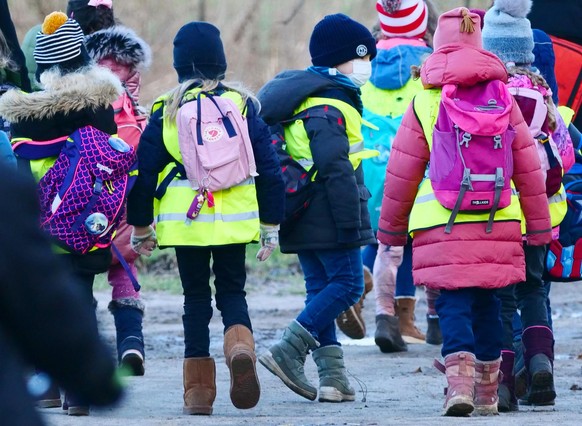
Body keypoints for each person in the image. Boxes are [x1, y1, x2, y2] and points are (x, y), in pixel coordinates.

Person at [377, 7, 552, 416]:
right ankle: (490, 393)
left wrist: (390, 232)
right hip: (499, 218)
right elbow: (527, 167)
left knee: (454, 303)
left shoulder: (424, 99)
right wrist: (540, 229)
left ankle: (459, 386)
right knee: (492, 303)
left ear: (438, 46)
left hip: (442, 219)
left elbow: (402, 169)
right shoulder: (504, 96)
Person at [126, 21, 284, 415]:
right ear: (221, 63)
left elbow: (142, 175)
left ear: (180, 65)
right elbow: (270, 169)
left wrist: (141, 227)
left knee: (194, 299)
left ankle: (198, 392)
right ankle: (240, 348)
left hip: (187, 222)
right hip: (235, 219)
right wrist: (270, 226)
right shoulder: (245, 106)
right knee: (233, 291)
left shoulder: (166, 109)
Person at [0, 11, 124, 416]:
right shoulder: (101, 107)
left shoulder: (22, 115)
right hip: (88, 222)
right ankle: (78, 392)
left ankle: (48, 387)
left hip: (41, 221)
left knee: (42, 300)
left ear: (44, 64)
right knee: (81, 297)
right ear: (81, 56)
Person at [257, 13, 377, 403]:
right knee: (348, 285)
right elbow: (335, 167)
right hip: (330, 215)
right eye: (362, 58)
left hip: (301, 212)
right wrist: (350, 225)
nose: (367, 67)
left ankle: (332, 378)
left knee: (320, 290)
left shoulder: (299, 96)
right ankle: (287, 349)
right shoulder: (330, 105)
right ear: (338, 60)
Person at [481, 0, 573, 409]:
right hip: (540, 214)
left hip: (498, 212)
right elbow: (565, 156)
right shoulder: (543, 95)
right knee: (534, 291)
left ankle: (503, 385)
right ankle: (541, 366)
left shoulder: (485, 97)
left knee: (501, 300)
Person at [338, 0, 444, 352]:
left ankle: (367, 289)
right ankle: (408, 316)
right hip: (415, 167)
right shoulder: (431, 65)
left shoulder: (362, 65)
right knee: (412, 239)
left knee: (379, 235)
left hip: (368, 169)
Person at [0, 166, 123, 425]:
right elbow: (47, 307)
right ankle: (74, 395)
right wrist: (96, 377)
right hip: (79, 231)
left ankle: (49, 388)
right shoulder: (7, 190)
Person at [80, 0, 152, 376]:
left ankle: (88, 356)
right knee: (125, 276)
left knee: (80, 280)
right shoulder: (133, 103)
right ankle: (131, 345)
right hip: (124, 207)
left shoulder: (80, 97)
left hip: (82, 209)